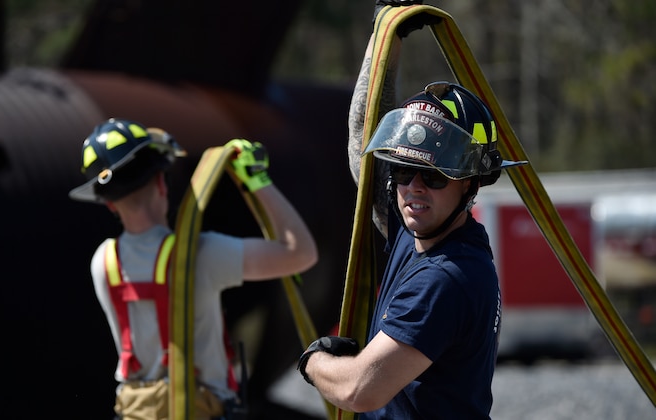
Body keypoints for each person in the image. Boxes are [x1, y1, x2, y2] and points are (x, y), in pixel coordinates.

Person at [296, 1, 526, 418]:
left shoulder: (445, 278)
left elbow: (358, 390)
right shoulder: (419, 232)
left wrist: (313, 362)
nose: (413, 188)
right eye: (403, 171)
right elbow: (362, 139)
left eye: (434, 176)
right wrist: (386, 35)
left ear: (470, 183)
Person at [69, 118, 318, 420]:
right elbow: (300, 252)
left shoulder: (103, 262)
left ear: (109, 204)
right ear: (162, 183)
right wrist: (255, 179)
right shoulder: (201, 254)